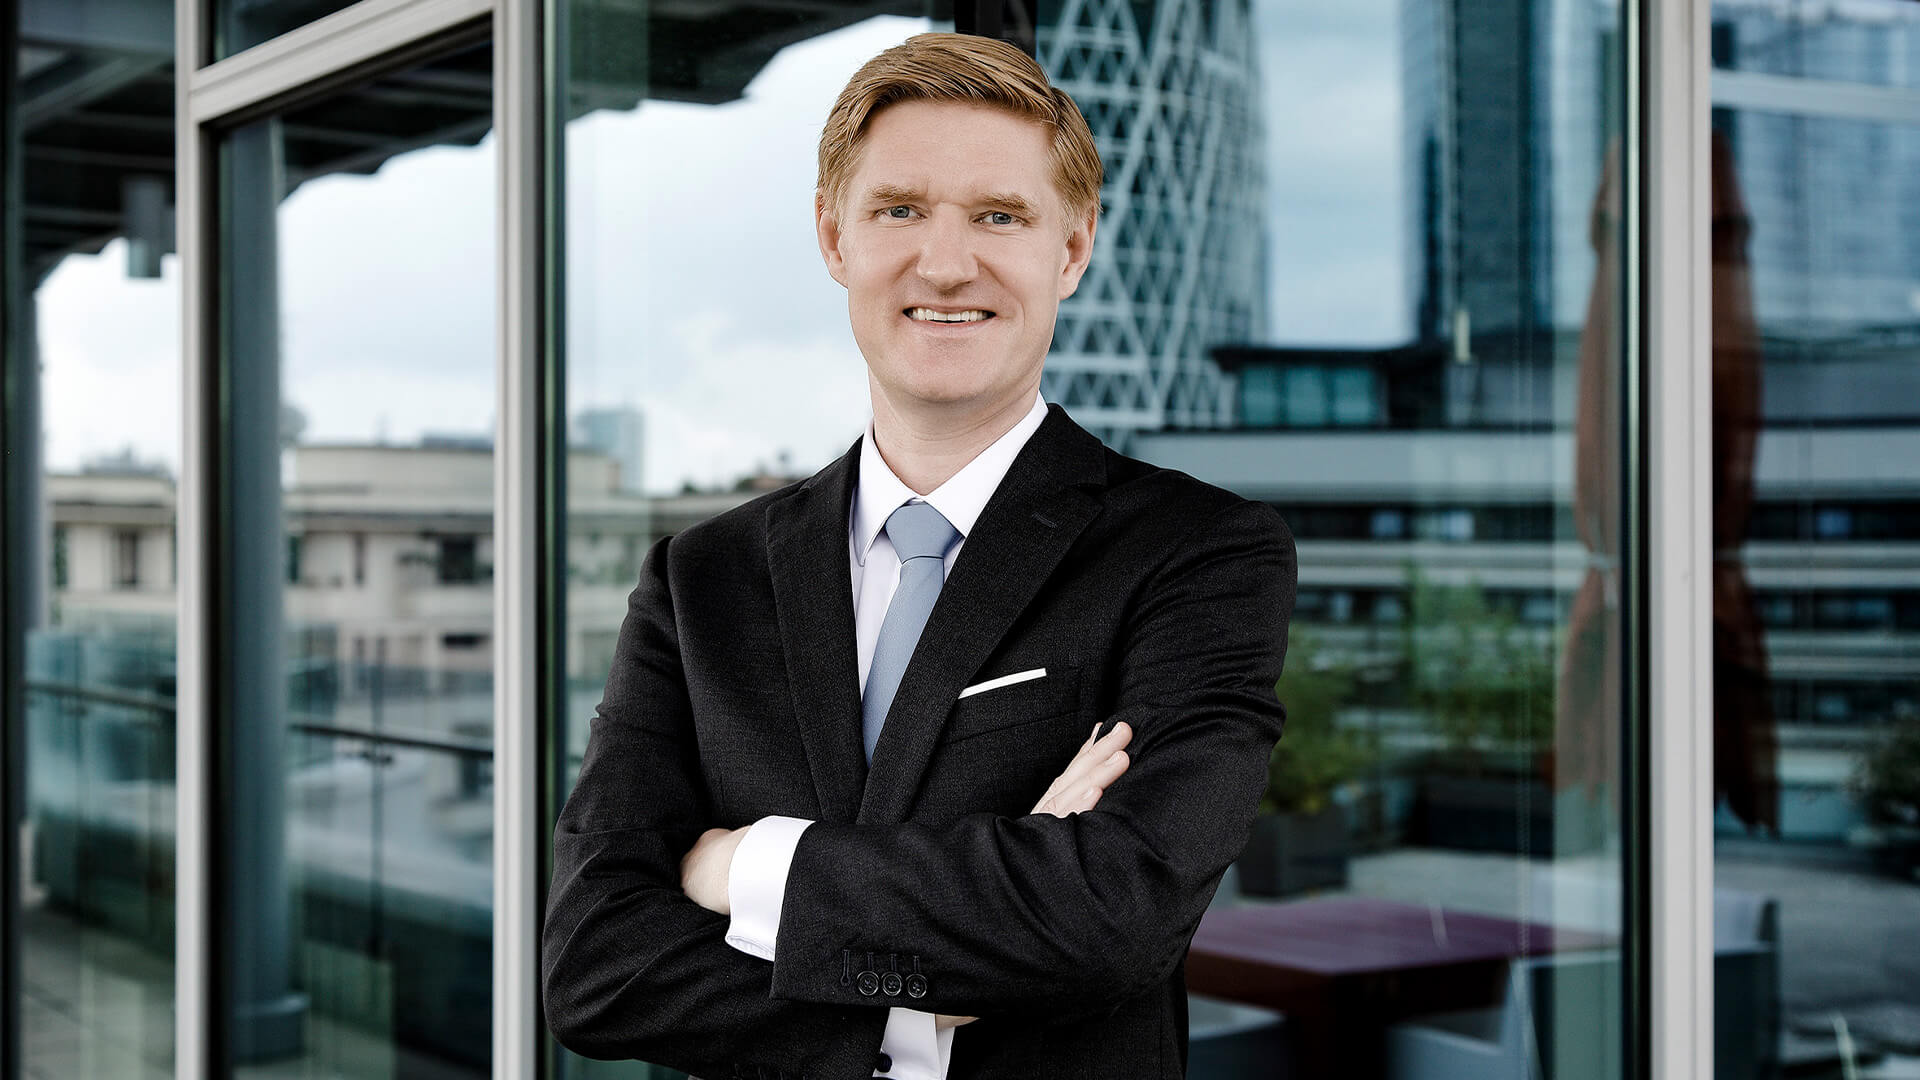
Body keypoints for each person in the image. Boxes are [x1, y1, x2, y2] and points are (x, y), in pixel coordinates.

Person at [541, 31, 1296, 1080]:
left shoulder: (1197, 554)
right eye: (900, 211)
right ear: (834, 238)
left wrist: (739, 863)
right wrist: (926, 1008)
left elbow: (1113, 917)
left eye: (1000, 216)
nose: (947, 263)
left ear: (1070, 251)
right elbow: (595, 967)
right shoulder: (700, 579)